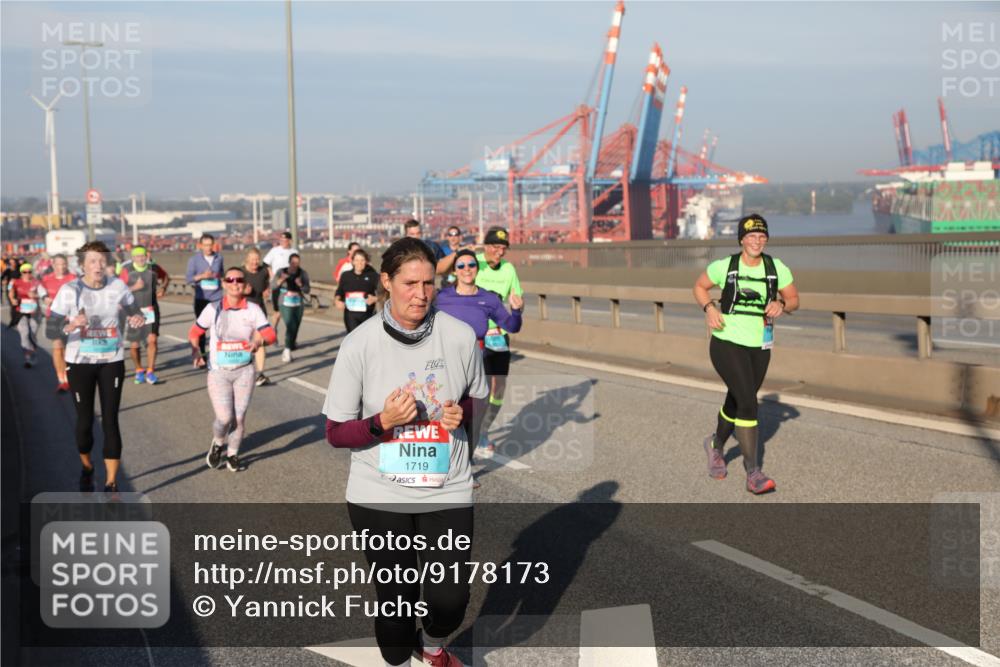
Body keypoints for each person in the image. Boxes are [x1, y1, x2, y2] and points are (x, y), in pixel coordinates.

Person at [323, 237, 488, 667]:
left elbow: (478, 400)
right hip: (378, 490)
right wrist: (382, 423)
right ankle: (404, 649)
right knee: (397, 608)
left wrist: (459, 413)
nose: (420, 294)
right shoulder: (359, 344)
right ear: (386, 282)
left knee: (450, 597)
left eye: (429, 284)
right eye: (410, 283)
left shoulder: (459, 336)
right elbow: (336, 432)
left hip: (445, 485)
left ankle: (432, 645)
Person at [693, 214, 799, 495]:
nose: (757, 241)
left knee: (738, 399)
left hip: (759, 346)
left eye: (762, 237)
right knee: (749, 403)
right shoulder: (725, 266)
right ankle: (754, 473)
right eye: (751, 236)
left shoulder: (776, 268)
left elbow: (795, 299)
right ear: (741, 239)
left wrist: (781, 304)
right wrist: (710, 309)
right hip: (726, 341)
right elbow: (700, 287)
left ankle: (715, 445)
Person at [47, 241, 146, 493]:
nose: (98, 265)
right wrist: (71, 325)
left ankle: (111, 483)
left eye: (102, 260)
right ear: (81, 265)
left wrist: (137, 317)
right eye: (92, 261)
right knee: (85, 421)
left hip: (111, 360)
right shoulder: (70, 290)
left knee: (111, 419)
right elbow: (51, 328)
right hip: (79, 362)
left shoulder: (118, 286)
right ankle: (88, 467)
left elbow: (136, 310)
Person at [435, 247, 523, 467]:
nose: (467, 269)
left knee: (475, 414)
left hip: (477, 364)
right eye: (461, 266)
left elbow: (512, 327)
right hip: (447, 364)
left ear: (477, 268)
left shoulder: (488, 299)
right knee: (448, 412)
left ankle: (464, 464)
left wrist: (517, 311)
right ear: (454, 270)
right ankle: (444, 462)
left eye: (471, 265)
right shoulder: (442, 297)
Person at [189, 266, 277, 472]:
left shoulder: (253, 310)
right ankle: (219, 443)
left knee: (239, 417)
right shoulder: (213, 309)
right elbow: (195, 332)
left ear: (245, 285)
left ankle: (233, 454)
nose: (235, 283)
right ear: (224, 284)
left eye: (239, 280)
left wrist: (258, 342)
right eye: (230, 279)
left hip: (244, 371)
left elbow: (271, 336)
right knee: (224, 418)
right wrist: (195, 352)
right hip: (219, 372)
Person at [473, 226, 523, 457]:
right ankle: (469, 431)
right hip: (474, 335)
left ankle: (483, 430)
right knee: (477, 387)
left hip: (498, 336)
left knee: (499, 387)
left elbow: (516, 297)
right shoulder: (473, 263)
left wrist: (518, 306)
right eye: (496, 247)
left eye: (504, 248)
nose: (500, 252)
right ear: (486, 246)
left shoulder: (509, 269)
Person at [118, 246, 170, 385]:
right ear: (133, 257)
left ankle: (150, 371)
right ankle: (139, 369)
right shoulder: (126, 270)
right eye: (138, 256)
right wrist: (134, 287)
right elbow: (118, 291)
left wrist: (163, 288)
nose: (141, 259)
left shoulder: (153, 268)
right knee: (135, 345)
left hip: (151, 309)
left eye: (143, 256)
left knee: (152, 340)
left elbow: (166, 277)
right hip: (133, 311)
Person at [41, 254, 77, 391]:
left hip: (70, 319)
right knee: (57, 348)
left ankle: (69, 377)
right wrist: (44, 298)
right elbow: (40, 292)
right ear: (53, 264)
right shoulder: (46, 279)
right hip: (54, 318)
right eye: (58, 264)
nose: (61, 267)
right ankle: (61, 379)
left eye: (63, 264)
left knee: (69, 350)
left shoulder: (73, 278)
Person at [185, 234, 224, 359]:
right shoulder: (194, 260)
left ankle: (217, 353)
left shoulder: (219, 258)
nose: (208, 248)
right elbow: (189, 279)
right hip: (201, 298)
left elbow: (222, 274)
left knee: (219, 326)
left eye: (210, 245)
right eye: (205, 245)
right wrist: (202, 276)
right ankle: (201, 352)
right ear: (200, 246)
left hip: (217, 297)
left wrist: (217, 277)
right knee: (202, 328)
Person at [242, 247, 273, 386]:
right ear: (247, 259)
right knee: (243, 343)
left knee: (259, 343)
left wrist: (267, 290)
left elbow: (267, 285)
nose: (255, 262)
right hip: (242, 312)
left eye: (257, 259)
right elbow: (229, 289)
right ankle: (242, 371)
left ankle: (260, 374)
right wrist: (243, 291)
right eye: (252, 259)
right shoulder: (240, 272)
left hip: (259, 311)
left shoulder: (263, 271)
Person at [272, 253, 310, 362]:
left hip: (298, 302)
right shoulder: (281, 271)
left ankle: (290, 345)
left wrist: (300, 285)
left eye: (297, 263)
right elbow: (273, 286)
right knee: (290, 324)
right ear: (289, 262)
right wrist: (281, 280)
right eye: (293, 263)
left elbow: (307, 290)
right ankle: (287, 350)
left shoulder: (302, 273)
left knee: (296, 325)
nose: (295, 265)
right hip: (285, 301)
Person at [8, 262, 46, 368]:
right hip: (20, 312)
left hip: (35, 312)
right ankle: (28, 358)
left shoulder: (36, 283)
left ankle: (32, 352)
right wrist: (13, 299)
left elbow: (43, 294)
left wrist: (35, 296)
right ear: (21, 272)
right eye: (25, 272)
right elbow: (10, 291)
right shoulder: (15, 281)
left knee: (32, 334)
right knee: (24, 334)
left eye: (29, 272)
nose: (27, 274)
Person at [334, 248, 379, 333]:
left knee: (367, 342)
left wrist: (375, 299)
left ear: (366, 261)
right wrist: (337, 301)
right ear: (353, 261)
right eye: (357, 260)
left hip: (368, 314)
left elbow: (384, 292)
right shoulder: (346, 275)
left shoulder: (373, 275)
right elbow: (339, 291)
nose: (359, 263)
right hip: (350, 315)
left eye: (362, 260)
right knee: (354, 341)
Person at [263, 231, 298, 330]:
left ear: (290, 241)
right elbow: (265, 263)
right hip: (277, 283)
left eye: (285, 240)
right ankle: (274, 329)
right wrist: (271, 274)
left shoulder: (294, 252)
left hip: (290, 284)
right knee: (277, 311)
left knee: (289, 310)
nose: (283, 241)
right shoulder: (275, 250)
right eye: (281, 239)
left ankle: (290, 337)